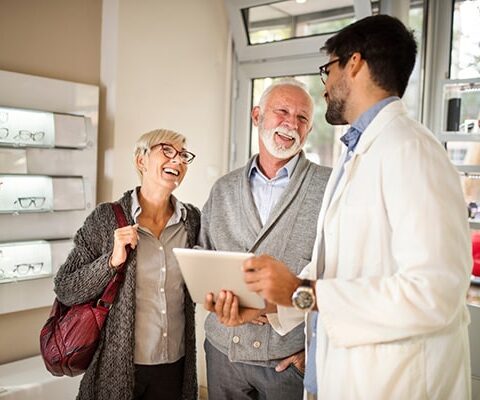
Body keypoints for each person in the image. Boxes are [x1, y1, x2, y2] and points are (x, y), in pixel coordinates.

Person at [243, 15, 472, 400]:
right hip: (346, 379)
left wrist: (302, 291)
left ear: (354, 63)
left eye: (327, 70)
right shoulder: (357, 153)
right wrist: (267, 303)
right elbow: (334, 270)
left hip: (397, 384)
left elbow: (436, 292)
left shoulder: (411, 150)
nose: (326, 86)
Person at [200, 78, 331, 399]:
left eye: (302, 118)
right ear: (256, 115)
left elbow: (341, 280)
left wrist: (311, 357)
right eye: (282, 111)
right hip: (223, 353)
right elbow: (201, 263)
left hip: (289, 361)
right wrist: (214, 301)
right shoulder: (224, 189)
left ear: (309, 131)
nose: (291, 123)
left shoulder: (330, 188)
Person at [54, 129, 200, 400]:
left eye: (183, 155)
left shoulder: (192, 221)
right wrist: (110, 262)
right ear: (141, 160)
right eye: (167, 151)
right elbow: (65, 287)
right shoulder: (106, 219)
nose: (177, 161)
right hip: (119, 368)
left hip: (175, 367)